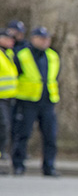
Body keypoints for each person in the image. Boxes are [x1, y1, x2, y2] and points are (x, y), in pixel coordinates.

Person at [11, 26, 60, 177]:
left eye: (47, 39)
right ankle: (18, 165)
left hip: (48, 101)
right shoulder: (22, 55)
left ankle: (49, 167)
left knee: (50, 137)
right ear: (33, 39)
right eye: (41, 38)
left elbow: (55, 77)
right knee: (23, 134)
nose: (44, 42)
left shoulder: (52, 56)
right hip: (27, 101)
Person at [0, 30, 18, 173]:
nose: (11, 41)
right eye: (8, 38)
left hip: (8, 98)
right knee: (3, 126)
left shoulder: (9, 55)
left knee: (5, 128)